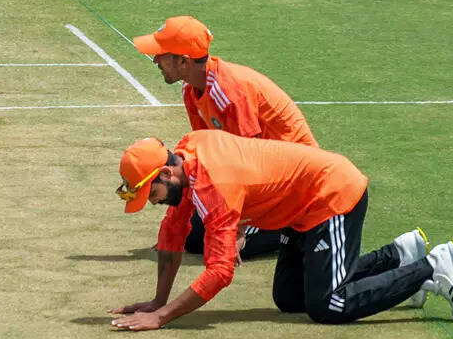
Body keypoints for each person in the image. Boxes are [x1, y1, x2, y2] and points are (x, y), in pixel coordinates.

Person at [108, 131, 453, 331]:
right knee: (290, 298)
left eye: (151, 193)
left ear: (166, 173)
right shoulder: (188, 154)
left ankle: (431, 268)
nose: (152, 202)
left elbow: (220, 272)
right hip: (300, 210)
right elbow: (173, 232)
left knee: (329, 304)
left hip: (332, 195)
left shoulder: (214, 185)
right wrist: (158, 300)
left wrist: (161, 317)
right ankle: (398, 255)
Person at [132, 15, 316, 259]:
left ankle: (296, 223)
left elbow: (252, 161)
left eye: (161, 54)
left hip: (291, 182)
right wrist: (174, 227)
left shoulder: (229, 93)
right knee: (195, 235)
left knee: (207, 238)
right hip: (261, 172)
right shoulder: (191, 89)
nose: (155, 59)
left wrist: (238, 229)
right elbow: (197, 160)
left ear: (184, 61)